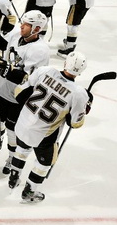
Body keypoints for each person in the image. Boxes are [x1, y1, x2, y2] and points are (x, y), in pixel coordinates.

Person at [7, 51, 93, 203]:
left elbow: (19, 92)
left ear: (65, 63)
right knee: (45, 162)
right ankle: (30, 191)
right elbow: (75, 123)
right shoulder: (79, 93)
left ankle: (14, 176)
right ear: (80, 72)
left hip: (22, 124)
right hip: (43, 136)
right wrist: (85, 109)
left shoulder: (45, 70)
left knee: (22, 148)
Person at [0, 10, 50, 176]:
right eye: (23, 22)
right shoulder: (16, 36)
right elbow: (5, 47)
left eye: (27, 25)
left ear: (36, 29)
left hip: (19, 97)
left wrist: (5, 69)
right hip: (3, 89)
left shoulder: (40, 50)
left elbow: (28, 79)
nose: (22, 26)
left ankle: (11, 157)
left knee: (12, 129)